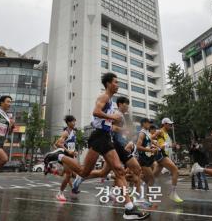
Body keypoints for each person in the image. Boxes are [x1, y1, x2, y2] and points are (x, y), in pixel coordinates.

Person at [44, 73, 149, 220]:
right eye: (115, 82)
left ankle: (129, 208)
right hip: (99, 137)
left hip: (105, 137)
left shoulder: (111, 102)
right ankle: (58, 156)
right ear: (108, 84)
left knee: (103, 171)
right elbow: (96, 112)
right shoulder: (104, 97)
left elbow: (102, 120)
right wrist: (113, 118)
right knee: (89, 171)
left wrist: (115, 125)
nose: (118, 85)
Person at [71, 97, 147, 206]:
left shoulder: (121, 116)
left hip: (119, 146)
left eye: (128, 105)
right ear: (120, 104)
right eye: (126, 104)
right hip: (114, 146)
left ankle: (82, 178)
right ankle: (135, 200)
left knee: (105, 173)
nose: (127, 107)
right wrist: (124, 130)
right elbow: (110, 128)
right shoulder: (117, 114)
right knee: (133, 170)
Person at [151, 118, 183, 203]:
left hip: (164, 155)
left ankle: (141, 185)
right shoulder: (160, 131)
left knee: (153, 175)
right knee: (175, 171)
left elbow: (166, 145)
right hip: (161, 154)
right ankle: (173, 193)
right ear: (164, 124)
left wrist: (174, 146)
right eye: (169, 124)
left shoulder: (166, 134)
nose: (170, 125)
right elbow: (151, 138)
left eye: (170, 124)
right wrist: (158, 145)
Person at [47, 115, 78, 201]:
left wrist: (74, 152)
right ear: (68, 123)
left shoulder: (73, 132)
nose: (74, 123)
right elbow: (58, 143)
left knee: (72, 174)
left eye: (75, 121)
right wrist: (68, 151)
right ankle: (60, 193)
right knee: (68, 175)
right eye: (72, 121)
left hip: (71, 156)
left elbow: (71, 145)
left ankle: (52, 171)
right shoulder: (66, 132)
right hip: (66, 156)